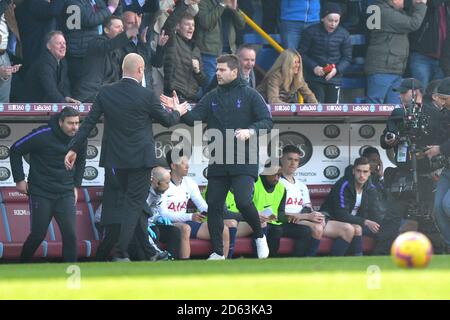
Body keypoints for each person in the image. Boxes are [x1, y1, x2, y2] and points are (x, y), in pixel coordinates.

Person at [64, 53, 188, 261]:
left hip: (115, 162)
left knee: (137, 206)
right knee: (134, 204)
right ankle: (121, 252)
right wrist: (177, 110)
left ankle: (149, 253)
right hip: (140, 161)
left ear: (123, 69)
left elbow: (88, 122)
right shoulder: (147, 95)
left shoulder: (105, 92)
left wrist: (73, 147)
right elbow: (167, 121)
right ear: (140, 70)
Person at [161, 54, 273, 260]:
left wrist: (250, 130)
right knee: (213, 205)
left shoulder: (250, 94)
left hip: (243, 159)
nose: (217, 73)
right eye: (217, 69)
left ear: (234, 72)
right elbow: (194, 118)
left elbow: (267, 121)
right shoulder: (212, 96)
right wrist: (179, 110)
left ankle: (259, 236)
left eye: (222, 70)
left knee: (242, 201)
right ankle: (218, 252)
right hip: (219, 160)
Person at [374, 78, 444, 254]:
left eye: (403, 93)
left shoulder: (433, 113)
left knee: (431, 217)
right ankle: (381, 255)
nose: (400, 96)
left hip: (428, 174)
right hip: (404, 174)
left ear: (415, 93)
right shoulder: (398, 113)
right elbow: (385, 140)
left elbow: (442, 140)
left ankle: (439, 255)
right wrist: (392, 138)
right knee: (392, 217)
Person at [9, 107, 87, 262]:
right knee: (38, 234)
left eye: (77, 123)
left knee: (70, 235)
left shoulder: (80, 138)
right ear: (60, 122)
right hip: (41, 191)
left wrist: (76, 186)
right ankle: (21, 265)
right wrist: (19, 180)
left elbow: (82, 161)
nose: (75, 127)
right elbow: (15, 150)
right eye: (71, 123)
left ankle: (71, 274)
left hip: (65, 192)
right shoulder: (42, 134)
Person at [280, 145, 358, 256]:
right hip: (287, 221)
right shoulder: (276, 182)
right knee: (316, 228)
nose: (293, 163)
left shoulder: (301, 185)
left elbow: (308, 208)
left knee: (348, 229)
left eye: (296, 160)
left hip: (303, 219)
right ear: (282, 159)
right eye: (290, 159)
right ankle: (309, 261)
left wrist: (317, 217)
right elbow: (277, 214)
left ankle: (331, 264)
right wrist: (307, 217)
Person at [158, 150, 230, 259]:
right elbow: (163, 214)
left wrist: (215, 212)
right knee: (185, 228)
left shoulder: (189, 182)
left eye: (187, 162)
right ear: (173, 166)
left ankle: (222, 264)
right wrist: (190, 216)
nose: (187, 166)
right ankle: (184, 267)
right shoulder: (164, 182)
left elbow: (203, 206)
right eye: (183, 163)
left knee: (223, 229)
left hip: (186, 222)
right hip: (166, 223)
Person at [364, 0, 427, 104]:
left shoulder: (384, 9)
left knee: (395, 108)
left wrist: (415, 6)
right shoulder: (384, 12)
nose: (405, 1)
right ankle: (370, 122)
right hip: (382, 68)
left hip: (393, 68)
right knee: (373, 106)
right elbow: (413, 23)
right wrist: (421, 5)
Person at [321, 157, 383, 256]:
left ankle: (375, 259)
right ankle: (336, 261)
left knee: (383, 229)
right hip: (333, 219)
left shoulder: (370, 188)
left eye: (365, 171)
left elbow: (375, 211)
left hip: (353, 222)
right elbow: (340, 214)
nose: (361, 175)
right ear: (353, 171)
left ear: (369, 173)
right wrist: (365, 221)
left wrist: (382, 225)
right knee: (356, 228)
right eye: (359, 171)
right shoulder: (343, 185)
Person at [73, 15, 139, 102]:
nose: (121, 30)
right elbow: (108, 46)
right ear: (106, 30)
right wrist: (128, 33)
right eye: (118, 27)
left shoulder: (118, 50)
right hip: (89, 95)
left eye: (122, 28)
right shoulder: (96, 42)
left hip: (106, 95)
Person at [298, 2, 352, 103]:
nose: (333, 24)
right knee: (316, 109)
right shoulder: (310, 32)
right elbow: (301, 54)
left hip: (334, 79)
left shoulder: (344, 34)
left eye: (336, 21)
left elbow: (347, 58)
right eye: (330, 20)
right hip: (314, 78)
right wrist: (314, 67)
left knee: (333, 112)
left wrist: (336, 70)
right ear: (322, 18)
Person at [423, 77, 450, 250]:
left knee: (448, 205)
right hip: (448, 169)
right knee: (438, 211)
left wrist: (439, 149)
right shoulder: (445, 114)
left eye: (443, 98)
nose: (440, 102)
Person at [162, 2, 207, 102]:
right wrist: (185, 3)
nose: (191, 28)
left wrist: (197, 71)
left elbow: (203, 81)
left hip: (191, 100)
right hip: (173, 97)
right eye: (187, 24)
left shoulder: (196, 49)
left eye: (193, 25)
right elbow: (169, 25)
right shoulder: (172, 41)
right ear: (178, 27)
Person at [23, 31, 79, 103]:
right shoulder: (44, 64)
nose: (63, 46)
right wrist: (65, 105)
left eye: (64, 43)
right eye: (59, 43)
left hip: (48, 105)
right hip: (32, 108)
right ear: (48, 46)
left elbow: (65, 85)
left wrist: (67, 97)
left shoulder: (63, 61)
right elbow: (51, 90)